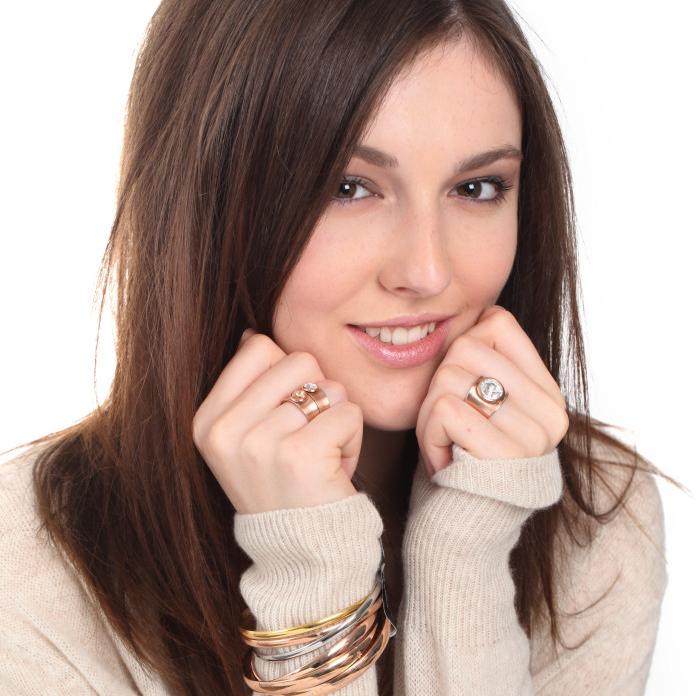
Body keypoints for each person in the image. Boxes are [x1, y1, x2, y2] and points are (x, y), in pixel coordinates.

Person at [0, 1, 686, 694]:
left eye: (476, 187)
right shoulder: (28, 572)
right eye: (349, 188)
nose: (427, 272)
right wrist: (312, 570)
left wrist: (468, 551)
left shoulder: (598, 526)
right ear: (210, 197)